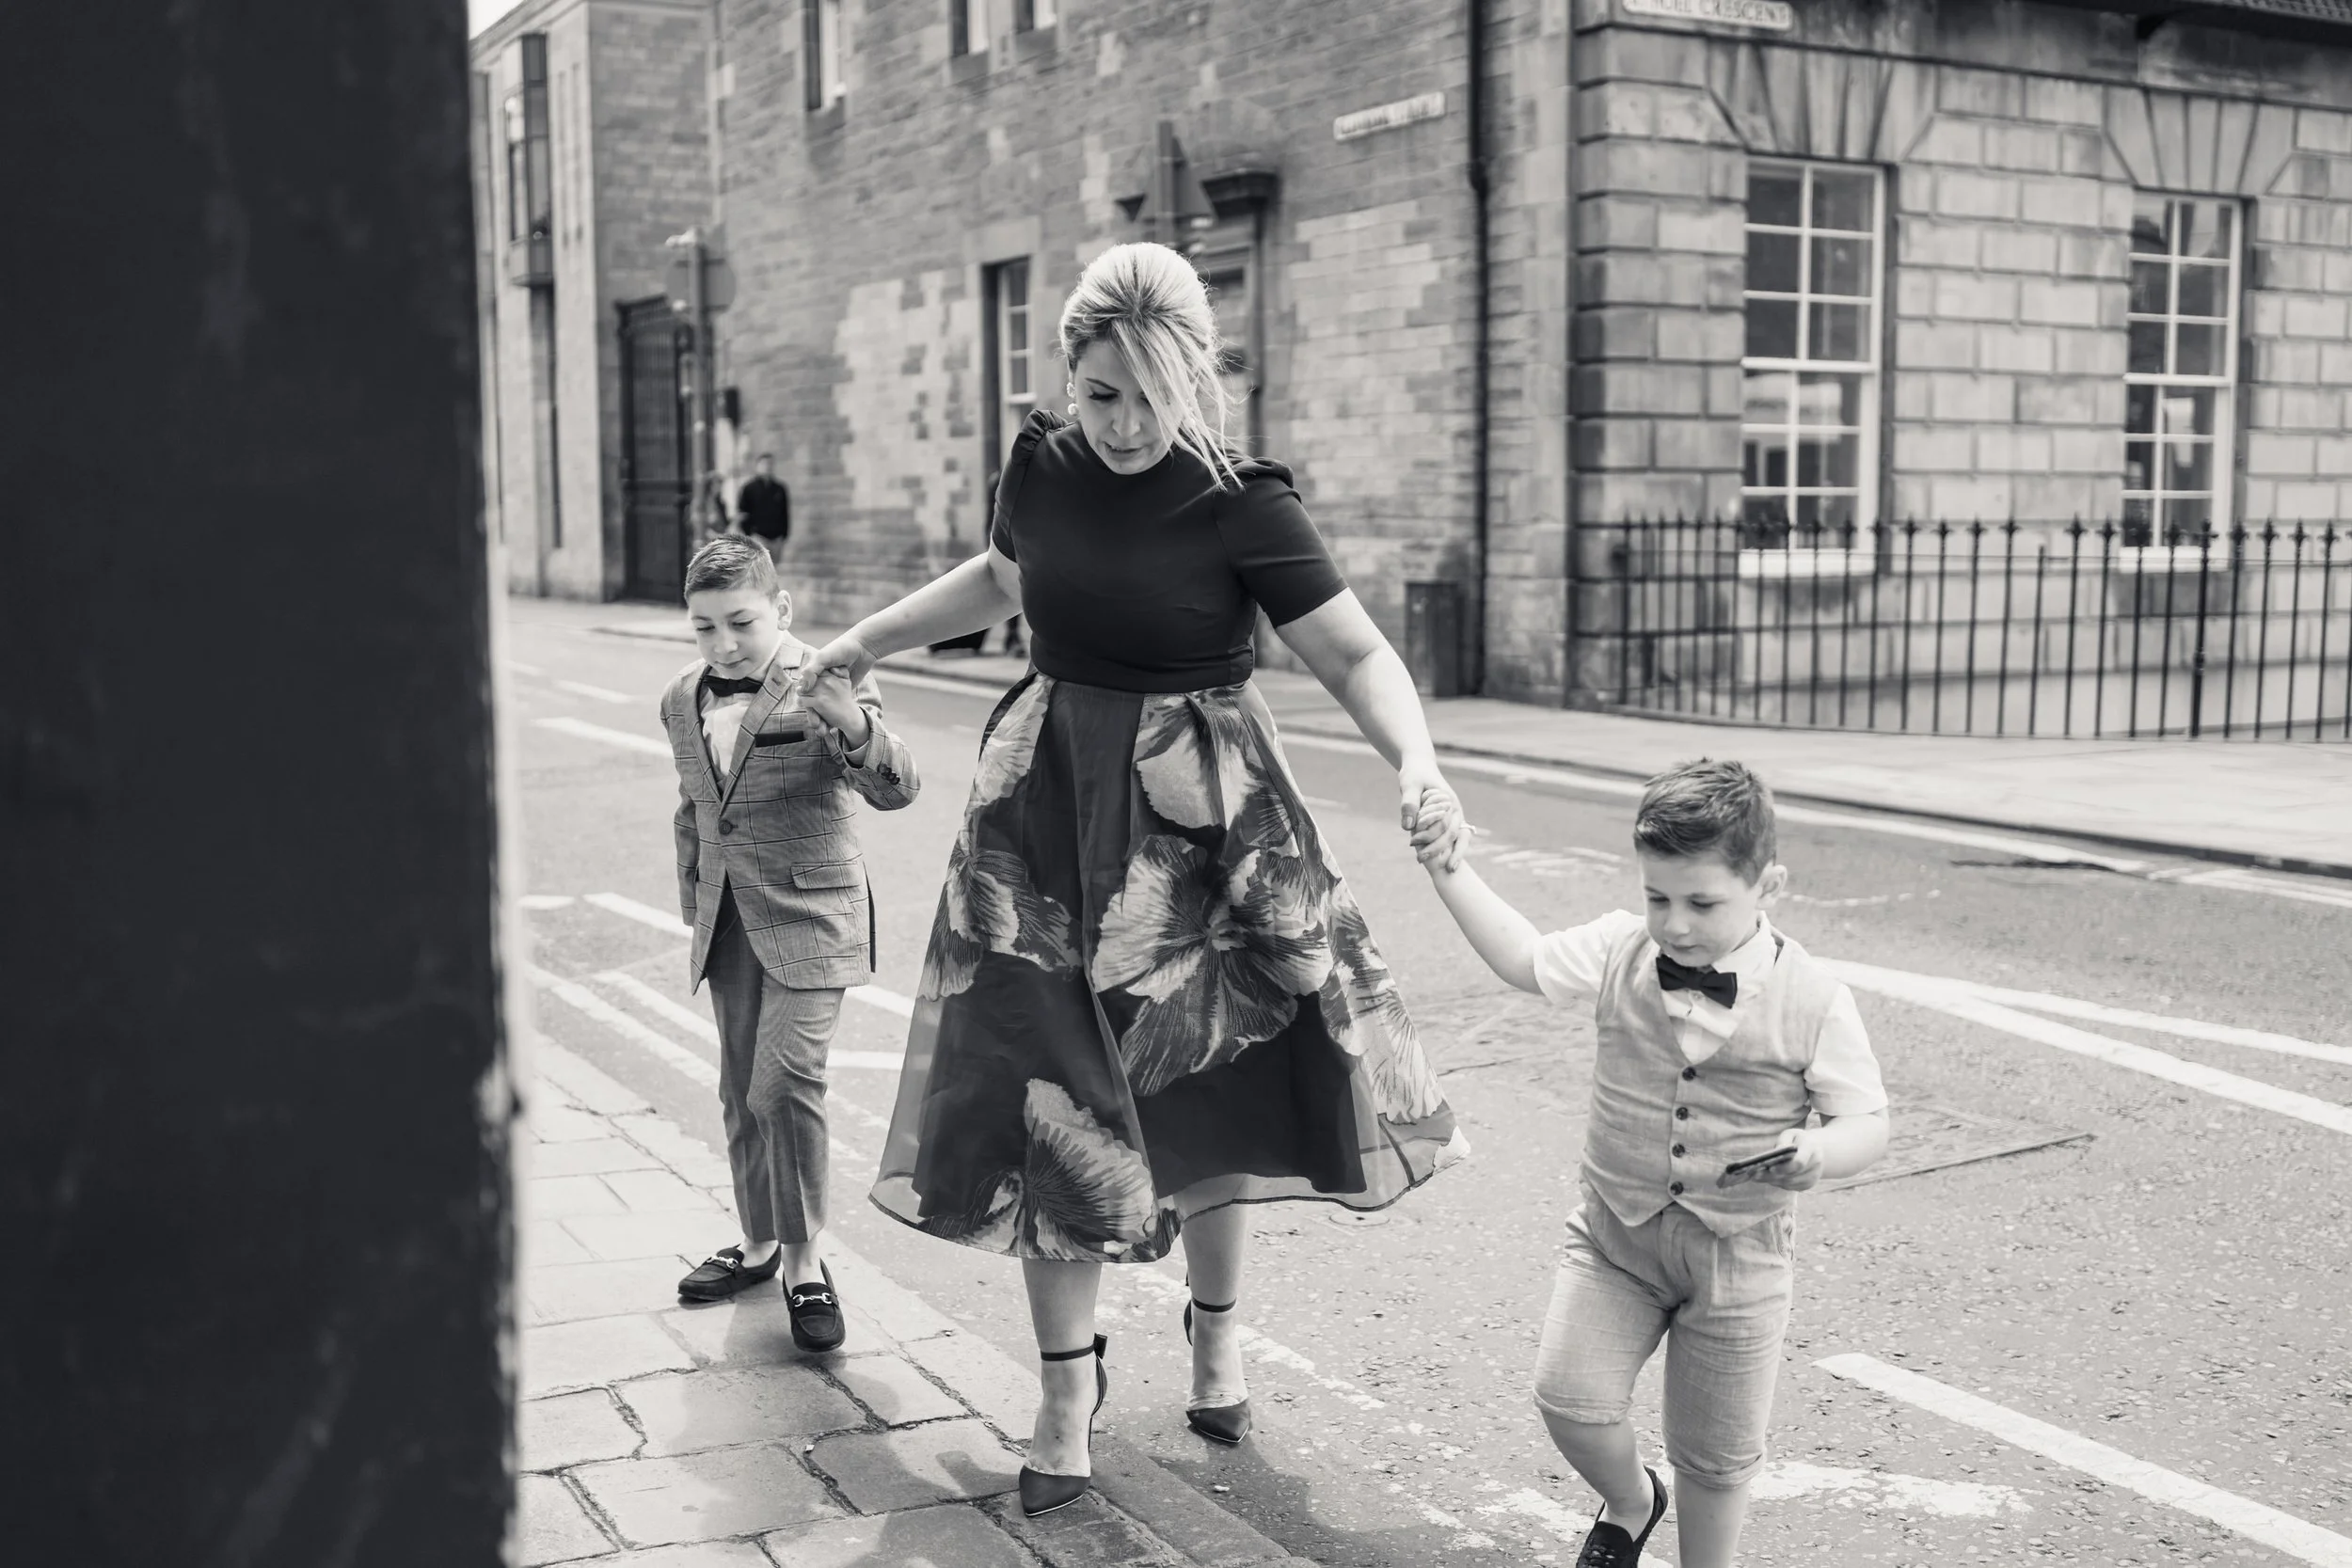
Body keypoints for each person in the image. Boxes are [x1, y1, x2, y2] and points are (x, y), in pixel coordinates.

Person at [808, 242, 1471, 1518]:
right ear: (1070, 374)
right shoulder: (1040, 465)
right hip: (1042, 813)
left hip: (1201, 816)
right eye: (1099, 391)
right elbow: (1003, 579)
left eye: (1146, 394)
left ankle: (1215, 1334)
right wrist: (863, 635)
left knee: (1213, 1090)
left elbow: (1353, 650)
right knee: (1041, 1104)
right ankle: (1066, 1390)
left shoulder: (1240, 499)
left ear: (1192, 380)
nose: (1120, 422)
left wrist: (1422, 761)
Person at [1415, 759, 1889, 1568]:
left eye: (1702, 902)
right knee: (1569, 1397)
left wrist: (1821, 1149)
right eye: (1657, 897)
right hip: (1615, 1235)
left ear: (1767, 883)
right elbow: (1523, 957)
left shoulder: (1816, 998)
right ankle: (1632, 1500)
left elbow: (1868, 1119)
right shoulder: (1617, 948)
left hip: (1737, 1257)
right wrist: (1447, 866)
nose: (1673, 924)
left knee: (1715, 1459)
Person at [658, 535, 919, 1352]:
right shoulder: (678, 697)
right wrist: (695, 909)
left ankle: (806, 1263)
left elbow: (898, 787)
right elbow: (695, 811)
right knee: (740, 1091)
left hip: (812, 917)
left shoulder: (831, 673)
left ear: (781, 607)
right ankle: (761, 1243)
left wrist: (845, 716)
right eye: (704, 627)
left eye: (739, 622)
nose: (723, 643)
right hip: (729, 918)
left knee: (782, 1081)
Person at [736, 452, 791, 564]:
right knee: (760, 567)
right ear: (758, 466)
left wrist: (784, 534)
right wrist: (749, 533)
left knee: (773, 568)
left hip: (776, 538)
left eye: (770, 464)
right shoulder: (749, 488)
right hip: (758, 536)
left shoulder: (779, 488)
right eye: (764, 464)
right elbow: (742, 512)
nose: (767, 467)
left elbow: (785, 512)